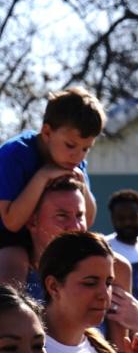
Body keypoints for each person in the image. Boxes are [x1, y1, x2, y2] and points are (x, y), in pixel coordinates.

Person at [23, 177, 138, 341]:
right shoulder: (12, 268)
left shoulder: (116, 267)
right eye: (62, 216)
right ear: (32, 221)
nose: (75, 226)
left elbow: (118, 352)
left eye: (79, 215)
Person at [0, 87, 103, 287]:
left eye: (86, 149)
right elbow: (11, 223)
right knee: (14, 267)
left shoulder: (74, 163)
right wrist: (43, 176)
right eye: (71, 145)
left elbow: (88, 219)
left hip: (48, 237)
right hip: (9, 238)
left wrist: (82, 185)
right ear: (47, 132)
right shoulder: (14, 155)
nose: (78, 155)